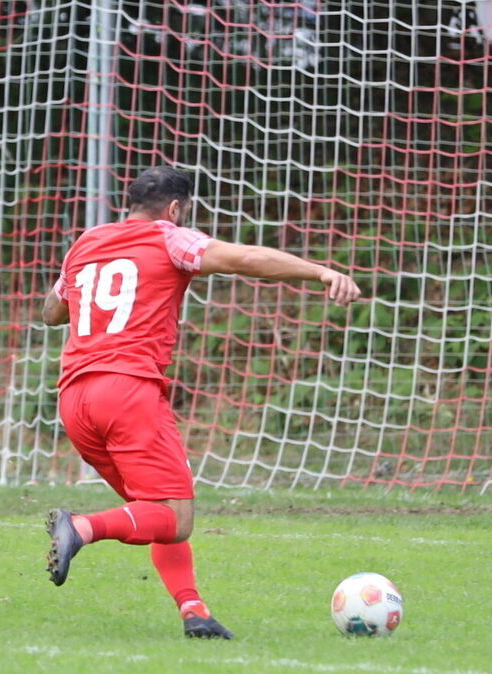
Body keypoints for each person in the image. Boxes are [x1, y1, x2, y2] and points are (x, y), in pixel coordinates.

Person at [41, 166, 361, 638]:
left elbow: (51, 313)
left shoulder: (86, 243)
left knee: (153, 512)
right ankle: (81, 528)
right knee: (175, 516)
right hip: (128, 393)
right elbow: (245, 259)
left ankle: (194, 612)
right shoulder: (170, 237)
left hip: (74, 399)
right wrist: (320, 271)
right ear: (174, 208)